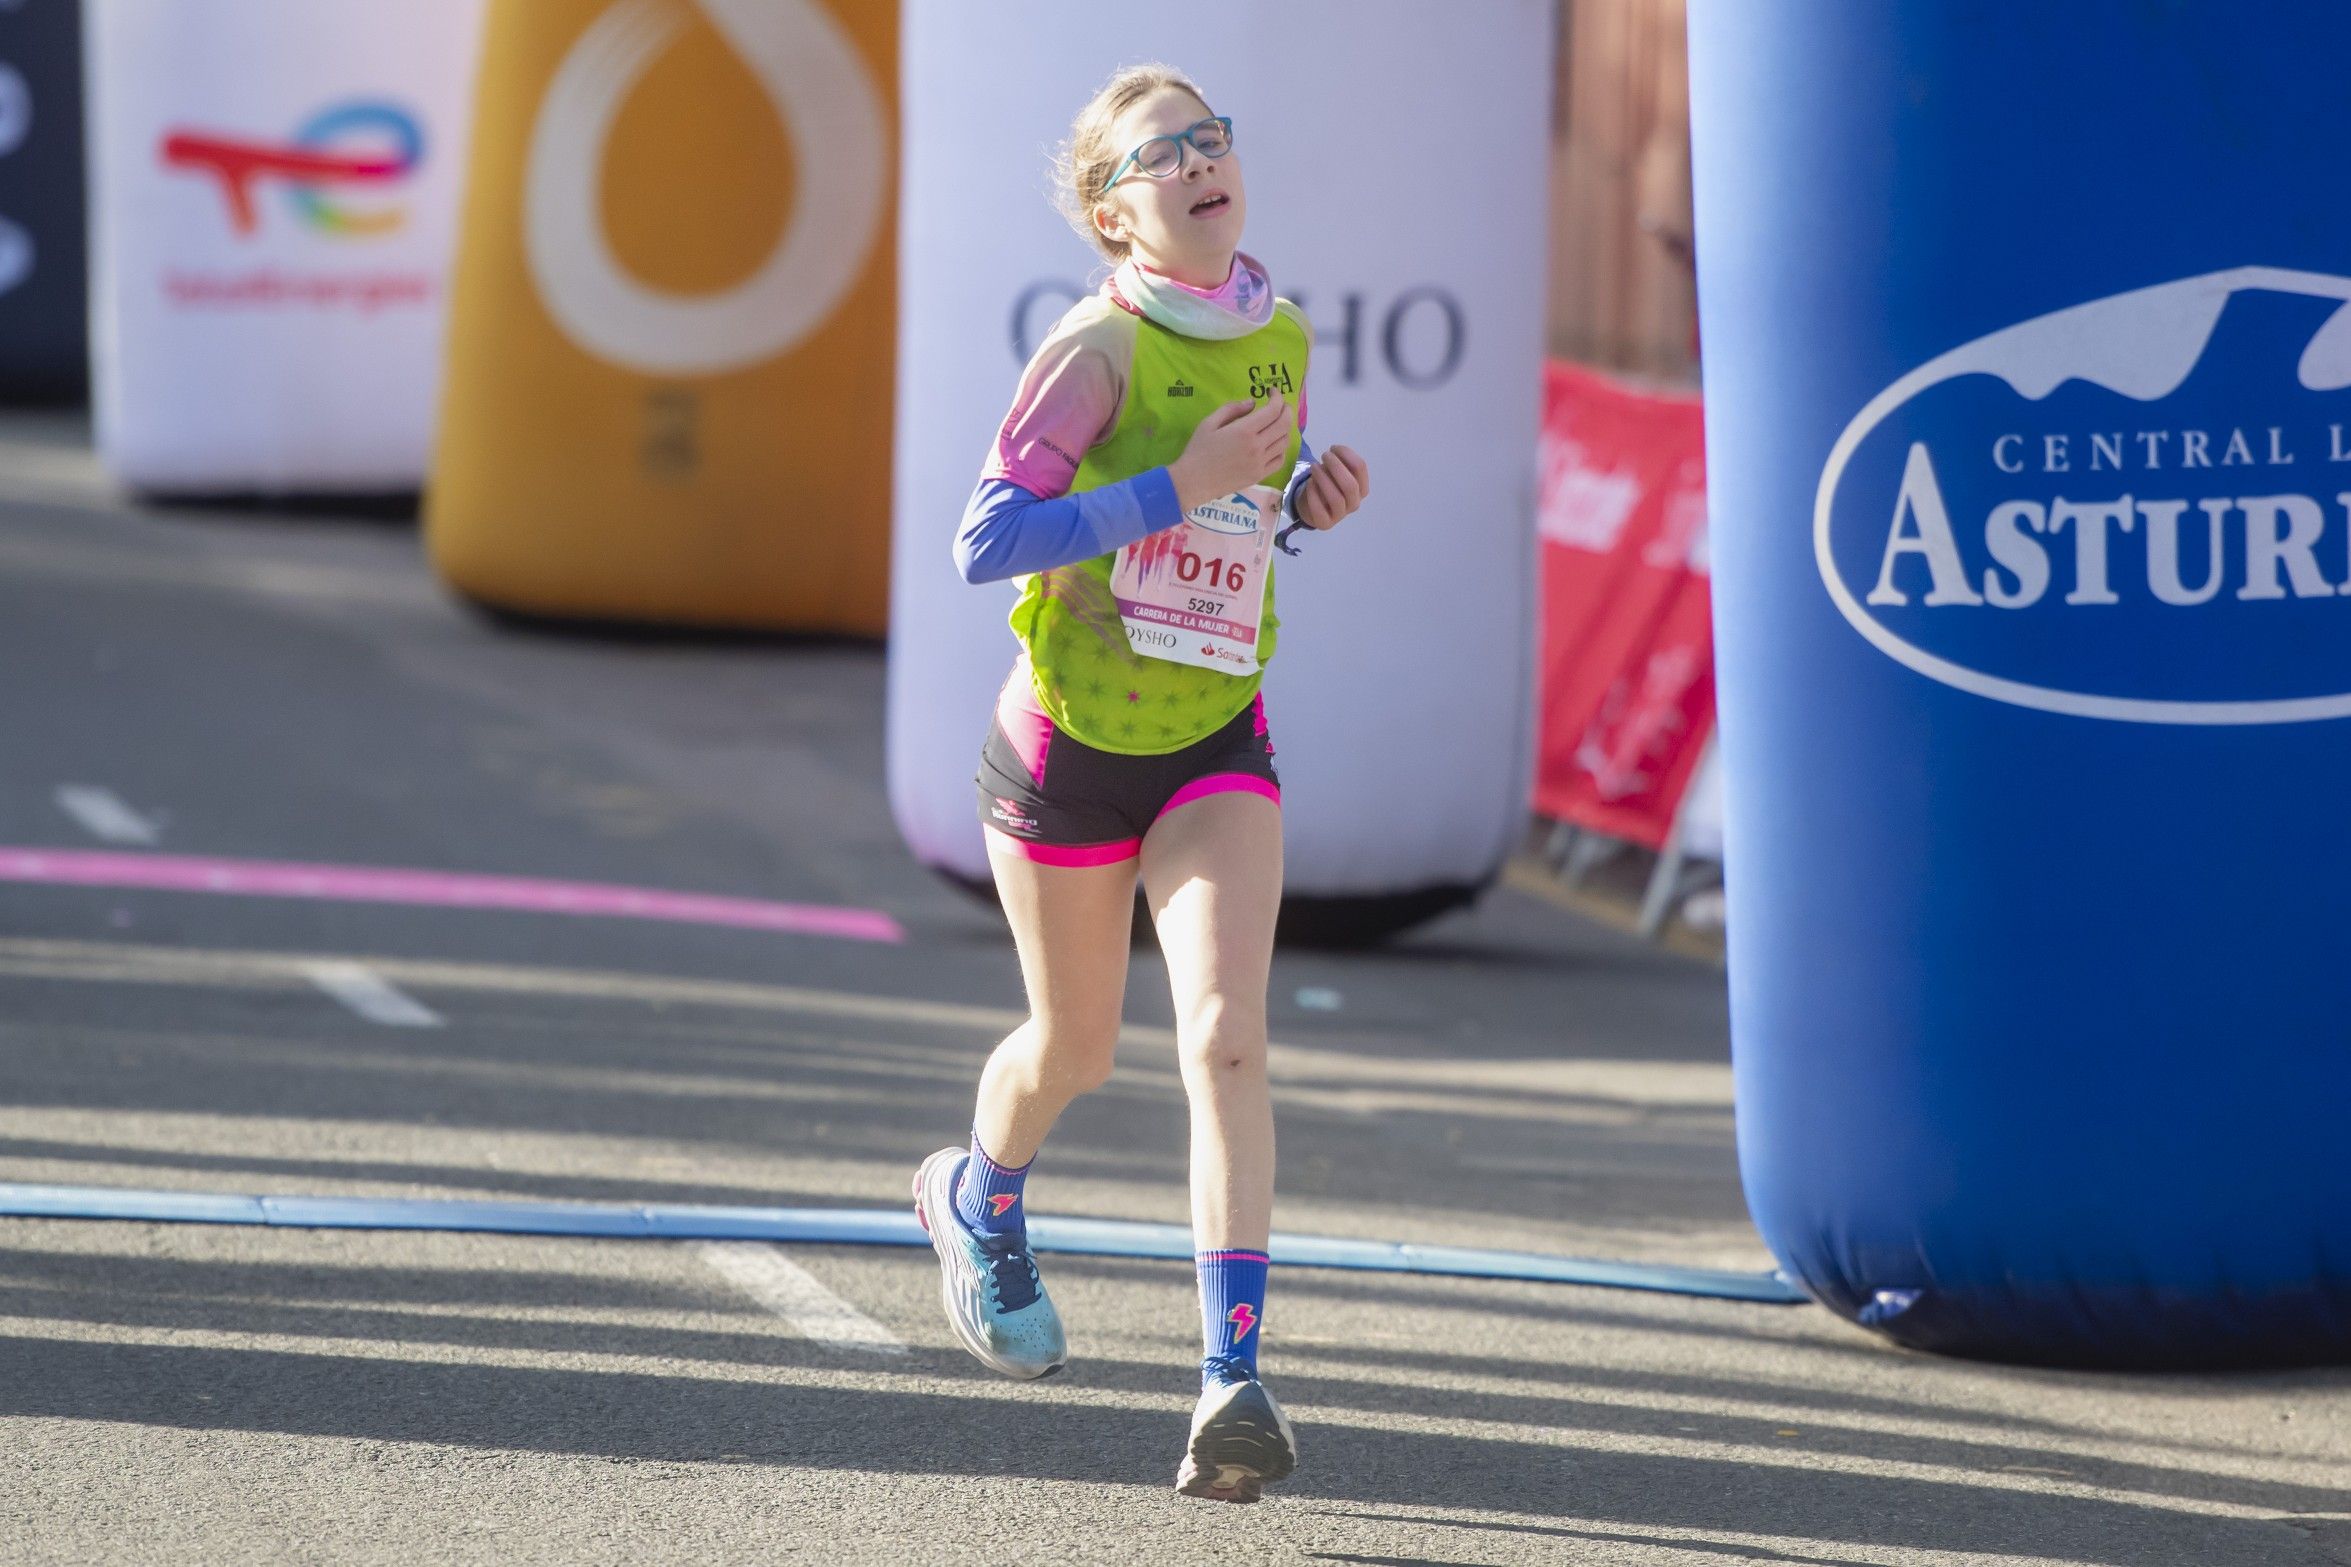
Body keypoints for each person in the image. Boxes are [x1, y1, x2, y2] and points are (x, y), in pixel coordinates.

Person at [911, 62, 1370, 1503]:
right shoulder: (1092, 353)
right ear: (1117, 217)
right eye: (1167, 155)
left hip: (1213, 739)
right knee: (1080, 1049)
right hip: (1067, 753)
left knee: (1227, 1034)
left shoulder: (1278, 332)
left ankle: (1232, 1377)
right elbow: (986, 541)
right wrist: (1169, 488)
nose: (1202, 163)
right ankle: (977, 1195)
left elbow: (1232, 534)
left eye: (1214, 141)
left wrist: (1301, 506)